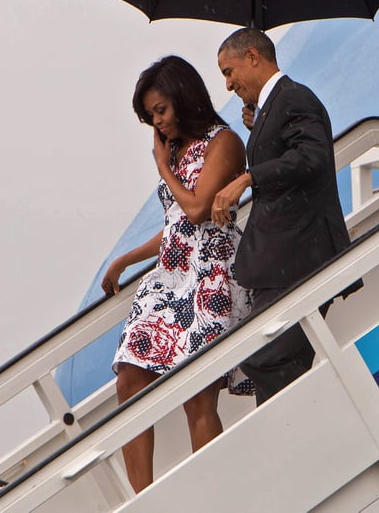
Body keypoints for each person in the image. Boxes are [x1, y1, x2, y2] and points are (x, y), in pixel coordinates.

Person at [101, 55, 252, 493]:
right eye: (151, 117)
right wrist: (125, 259)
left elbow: (199, 208)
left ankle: (211, 496)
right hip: (170, 277)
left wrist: (161, 167)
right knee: (129, 376)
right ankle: (141, 500)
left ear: (183, 97)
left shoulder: (223, 141)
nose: (158, 123)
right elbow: (176, 225)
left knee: (197, 396)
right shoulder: (173, 148)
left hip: (210, 275)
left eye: (161, 110)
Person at [210, 27, 351, 405]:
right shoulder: (274, 107)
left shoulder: (293, 99)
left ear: (253, 57)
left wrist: (249, 176)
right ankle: (292, 445)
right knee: (274, 365)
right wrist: (261, 130)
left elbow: (313, 156)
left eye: (228, 71)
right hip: (282, 260)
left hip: (299, 256)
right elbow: (294, 154)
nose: (227, 84)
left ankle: (307, 433)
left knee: (265, 357)